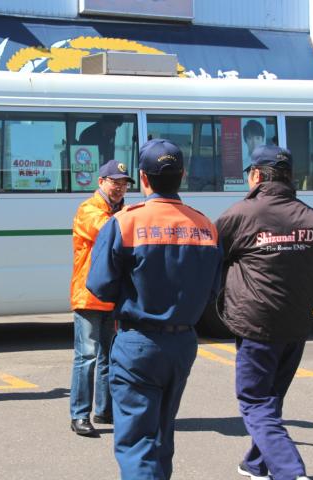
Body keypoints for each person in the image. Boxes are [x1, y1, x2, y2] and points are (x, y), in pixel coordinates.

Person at [87, 139, 223, 478]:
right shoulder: (206, 226)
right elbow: (213, 290)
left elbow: (100, 286)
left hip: (138, 343)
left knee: (137, 442)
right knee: (162, 435)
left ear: (143, 179)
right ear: (183, 175)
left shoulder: (124, 222)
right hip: (183, 344)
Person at [215, 145, 313, 480]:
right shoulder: (312, 218)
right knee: (270, 399)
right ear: (289, 177)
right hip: (296, 327)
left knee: (255, 402)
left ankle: (290, 471)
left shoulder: (240, 215)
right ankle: (256, 464)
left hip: (256, 325)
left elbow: (208, 262)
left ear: (257, 176)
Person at [69, 159, 134, 436]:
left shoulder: (122, 211)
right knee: (87, 356)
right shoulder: (89, 210)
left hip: (112, 296)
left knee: (109, 356)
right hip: (89, 296)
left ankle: (104, 410)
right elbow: (111, 232)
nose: (119, 188)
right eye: (114, 182)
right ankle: (79, 415)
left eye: (123, 183)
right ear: (101, 182)